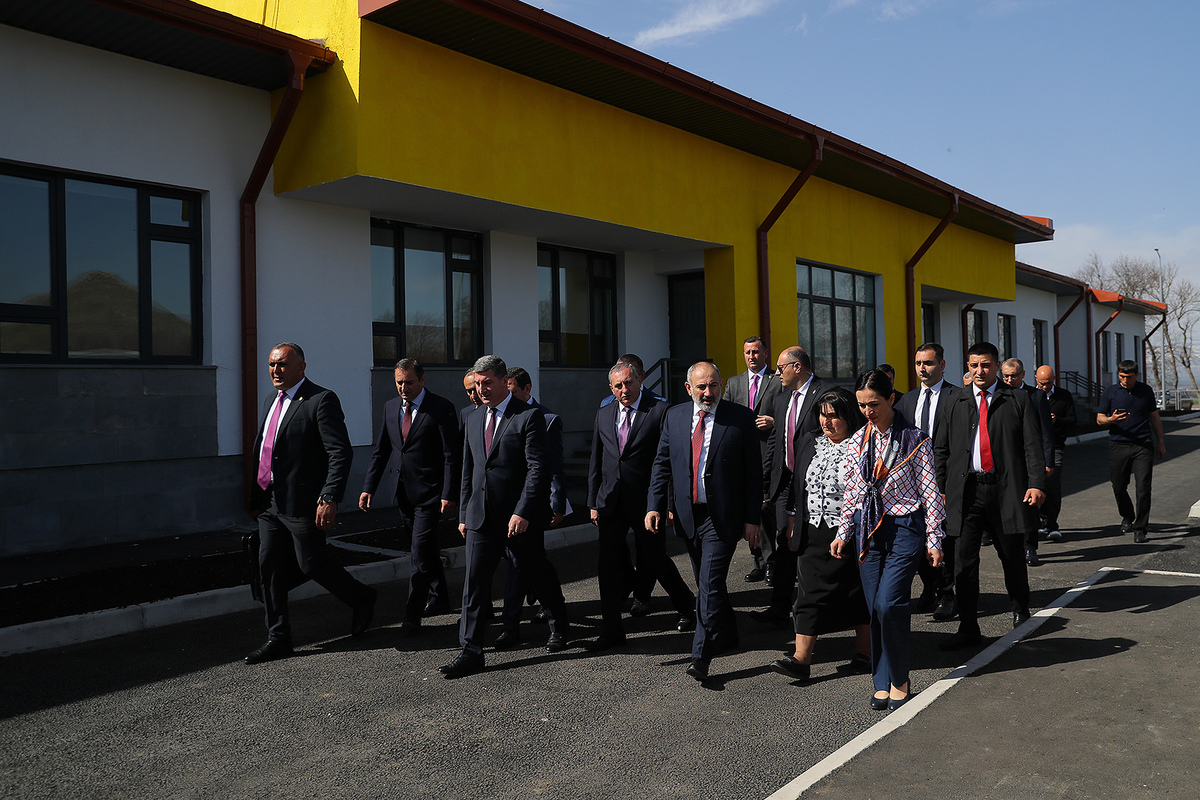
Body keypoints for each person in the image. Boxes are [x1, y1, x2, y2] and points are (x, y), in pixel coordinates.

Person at [244, 343, 376, 665]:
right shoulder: (271, 400)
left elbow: (339, 452)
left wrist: (329, 496)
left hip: (303, 502)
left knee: (312, 563)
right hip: (271, 501)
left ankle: (361, 597)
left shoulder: (321, 400)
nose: (276, 370)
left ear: (301, 367)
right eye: (272, 364)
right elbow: (267, 449)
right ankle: (278, 637)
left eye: (282, 364)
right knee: (269, 566)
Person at [440, 355, 570, 678]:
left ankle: (559, 625)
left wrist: (523, 511)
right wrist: (464, 513)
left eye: (487, 383)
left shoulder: (528, 416)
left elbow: (537, 469)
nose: (481, 390)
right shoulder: (472, 417)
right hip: (480, 517)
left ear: (502, 382)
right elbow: (469, 469)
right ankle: (471, 651)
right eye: (477, 384)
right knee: (474, 584)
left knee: (537, 572)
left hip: (518, 519)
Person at [833, 369, 944, 710]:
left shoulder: (915, 439)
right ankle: (881, 681)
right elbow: (852, 492)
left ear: (891, 399)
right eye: (862, 405)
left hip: (905, 528)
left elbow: (930, 492)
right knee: (874, 609)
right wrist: (843, 532)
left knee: (889, 604)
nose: (868, 411)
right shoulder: (856, 441)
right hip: (868, 530)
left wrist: (934, 538)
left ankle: (900, 679)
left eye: (874, 404)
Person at [647, 361, 762, 681]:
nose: (708, 392)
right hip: (688, 515)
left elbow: (753, 473)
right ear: (689, 389)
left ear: (721, 385)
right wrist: (655, 505)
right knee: (707, 582)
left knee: (709, 585)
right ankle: (728, 632)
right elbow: (663, 464)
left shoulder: (740, 418)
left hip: (723, 517)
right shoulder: (675, 416)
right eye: (701, 387)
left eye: (713, 385)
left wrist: (752, 519)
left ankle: (701, 655)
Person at [935, 342, 1045, 650]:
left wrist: (1036, 483)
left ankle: (1021, 611)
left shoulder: (1017, 399)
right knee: (964, 563)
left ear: (997, 366)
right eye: (974, 365)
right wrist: (940, 489)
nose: (979, 371)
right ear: (967, 367)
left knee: (1011, 555)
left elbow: (1032, 445)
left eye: (985, 365)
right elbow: (941, 449)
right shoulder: (955, 401)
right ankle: (968, 627)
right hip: (966, 492)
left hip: (1005, 490)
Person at [586, 361, 696, 651]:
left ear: (639, 381)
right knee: (607, 565)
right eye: (618, 386)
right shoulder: (604, 413)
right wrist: (593, 501)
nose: (624, 389)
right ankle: (612, 629)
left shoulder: (660, 411)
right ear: (611, 388)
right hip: (610, 502)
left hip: (648, 503)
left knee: (655, 559)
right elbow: (597, 459)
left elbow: (671, 461)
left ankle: (687, 607)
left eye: (629, 383)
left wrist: (667, 502)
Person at [770, 387, 871, 683]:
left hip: (851, 533)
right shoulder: (809, 441)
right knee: (807, 594)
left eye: (834, 416)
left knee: (857, 594)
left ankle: (865, 652)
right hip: (813, 532)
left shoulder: (863, 444)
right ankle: (801, 659)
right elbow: (796, 483)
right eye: (823, 415)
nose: (827, 422)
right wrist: (791, 517)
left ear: (848, 416)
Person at [359, 358, 459, 636]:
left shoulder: (441, 407)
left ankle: (412, 614)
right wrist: (368, 487)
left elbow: (451, 455)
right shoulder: (391, 407)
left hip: (430, 494)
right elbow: (382, 450)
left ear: (422, 380)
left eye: (409, 382)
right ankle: (440, 597)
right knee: (426, 549)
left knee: (419, 553)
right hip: (402, 492)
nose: (404, 388)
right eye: (399, 383)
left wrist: (449, 493)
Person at [753, 346, 827, 624]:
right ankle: (779, 607)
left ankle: (815, 606)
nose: (776, 373)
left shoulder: (825, 394)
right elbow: (776, 441)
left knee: (810, 545)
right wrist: (764, 481)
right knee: (785, 540)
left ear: (797, 367)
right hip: (786, 483)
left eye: (780, 368)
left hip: (815, 484)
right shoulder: (782, 398)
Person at [494, 366, 566, 644]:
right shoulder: (497, 416)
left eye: (512, 392)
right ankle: (511, 626)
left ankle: (555, 623)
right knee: (518, 566)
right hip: (502, 507)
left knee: (533, 565)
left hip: (532, 507)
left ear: (527, 390)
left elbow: (552, 466)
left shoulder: (546, 419)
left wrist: (557, 503)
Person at [894, 342, 960, 620]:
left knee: (944, 540)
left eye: (929, 363)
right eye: (918, 363)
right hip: (912, 484)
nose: (922, 368)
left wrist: (945, 485)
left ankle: (947, 594)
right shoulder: (906, 401)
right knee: (918, 538)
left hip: (945, 482)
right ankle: (929, 588)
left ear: (942, 365)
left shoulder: (957, 397)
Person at [723, 336, 781, 583]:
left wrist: (774, 422)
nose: (752, 357)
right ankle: (758, 561)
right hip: (741, 456)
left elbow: (789, 412)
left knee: (766, 510)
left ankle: (772, 563)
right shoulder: (734, 383)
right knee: (749, 510)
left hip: (768, 454)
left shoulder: (777, 380)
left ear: (765, 353)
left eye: (756, 352)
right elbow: (724, 415)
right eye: (747, 353)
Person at [1097, 361, 1165, 543]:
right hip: (1118, 444)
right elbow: (1099, 419)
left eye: (1129, 377)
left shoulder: (1145, 391)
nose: (1125, 380)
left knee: (1143, 487)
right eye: (1122, 377)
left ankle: (1140, 528)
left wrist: (1161, 442)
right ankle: (1127, 516)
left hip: (1142, 444)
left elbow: (1154, 417)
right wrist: (1112, 419)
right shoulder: (1110, 392)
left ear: (1137, 375)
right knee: (1118, 486)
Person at [1000, 358, 1055, 566]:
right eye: (1005, 376)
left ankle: (1030, 547)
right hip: (1006, 460)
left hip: (1030, 460)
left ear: (1023, 375)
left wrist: (1047, 461)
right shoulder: (998, 395)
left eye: (1013, 376)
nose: (1009, 380)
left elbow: (1046, 433)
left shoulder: (1036, 396)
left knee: (1029, 504)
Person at [1035, 365, 1077, 542]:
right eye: (1042, 383)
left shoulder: (1063, 396)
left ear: (1054, 379)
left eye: (1048, 383)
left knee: (1052, 485)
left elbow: (1073, 420)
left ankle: (1052, 524)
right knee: (1035, 485)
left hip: (1056, 446)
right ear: (1036, 379)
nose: (1045, 387)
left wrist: (1056, 420)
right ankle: (1037, 523)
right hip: (1034, 447)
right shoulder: (1030, 395)